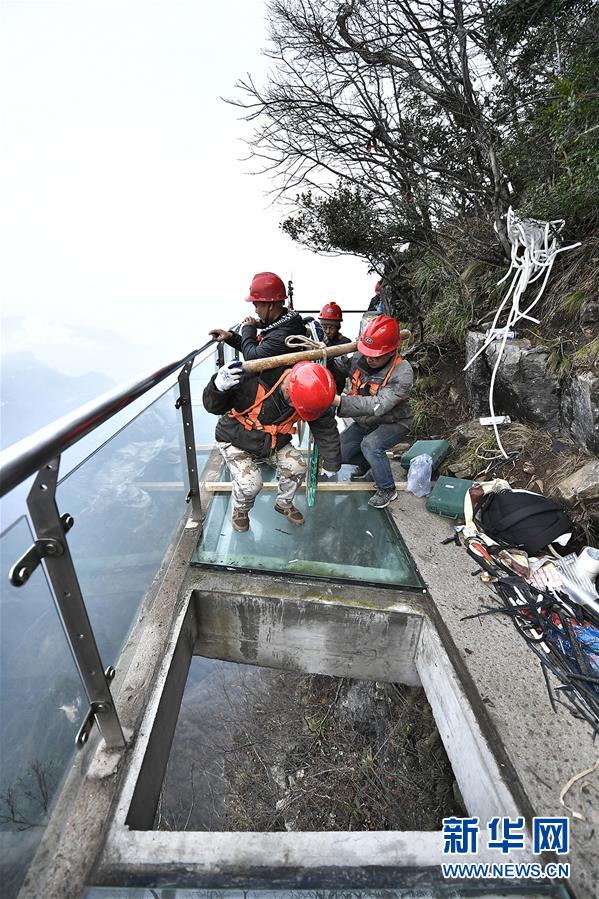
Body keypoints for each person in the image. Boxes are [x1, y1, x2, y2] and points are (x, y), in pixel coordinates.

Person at [203, 360, 341, 532]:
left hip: (272, 443)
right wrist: (217, 388)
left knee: (297, 467)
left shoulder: (314, 395)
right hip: (236, 439)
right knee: (250, 483)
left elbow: (325, 428)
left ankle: (283, 503)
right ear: (289, 387)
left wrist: (332, 462)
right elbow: (212, 406)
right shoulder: (255, 380)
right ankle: (241, 510)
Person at [332, 315, 413, 509]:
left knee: (371, 444)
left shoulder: (403, 371)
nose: (370, 358)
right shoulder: (361, 356)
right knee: (338, 452)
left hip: (394, 421)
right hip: (365, 421)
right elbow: (338, 365)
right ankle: (370, 464)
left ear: (391, 350)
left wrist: (339, 401)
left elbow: (379, 405)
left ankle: (387, 489)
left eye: (376, 355)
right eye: (367, 352)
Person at [208, 271, 306, 360]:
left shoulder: (281, 335)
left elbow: (251, 357)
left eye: (256, 306)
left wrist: (248, 329)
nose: (256, 311)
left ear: (270, 305)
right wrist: (230, 337)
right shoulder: (287, 324)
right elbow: (257, 350)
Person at [318, 302, 352, 393]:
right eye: (324, 327)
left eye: (331, 327)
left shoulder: (346, 343)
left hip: (337, 386)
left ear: (337, 327)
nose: (327, 331)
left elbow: (344, 370)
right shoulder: (320, 340)